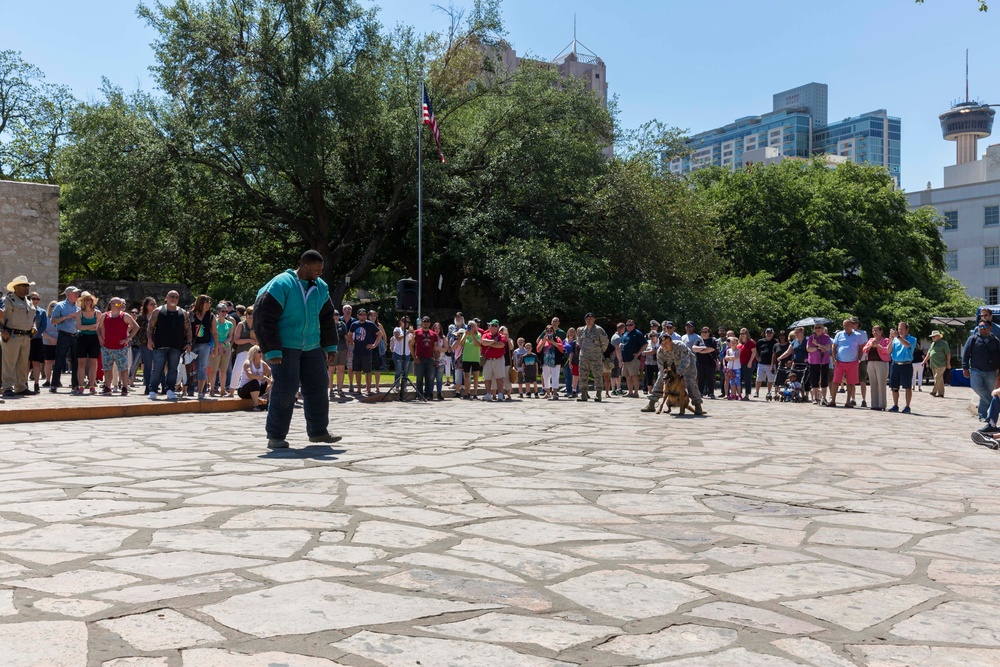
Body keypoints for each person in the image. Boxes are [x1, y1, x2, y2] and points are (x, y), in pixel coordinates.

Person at [253, 249, 341, 449]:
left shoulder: (321, 287)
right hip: (285, 347)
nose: (320, 273)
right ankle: (275, 436)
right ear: (305, 266)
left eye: (322, 270)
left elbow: (327, 318)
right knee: (286, 389)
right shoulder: (281, 284)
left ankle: (319, 432)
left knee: (319, 386)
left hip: (311, 346)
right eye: (317, 269)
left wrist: (330, 346)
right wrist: (272, 350)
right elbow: (263, 318)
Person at [641, 335, 706, 415]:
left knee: (690, 382)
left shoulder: (680, 346)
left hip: (688, 364)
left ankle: (698, 405)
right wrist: (665, 378)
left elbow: (686, 362)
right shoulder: (660, 352)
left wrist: (678, 375)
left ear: (671, 341)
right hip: (671, 367)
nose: (665, 345)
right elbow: (661, 368)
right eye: (662, 343)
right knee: (660, 380)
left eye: (666, 343)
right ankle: (651, 404)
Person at [147, 291, 192, 400]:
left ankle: (170, 389)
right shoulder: (158, 311)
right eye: (171, 296)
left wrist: (189, 343)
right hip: (160, 345)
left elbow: (188, 329)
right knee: (157, 368)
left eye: (176, 297)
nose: (174, 299)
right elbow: (150, 327)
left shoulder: (183, 313)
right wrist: (149, 340)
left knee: (173, 369)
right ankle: (153, 390)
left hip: (176, 346)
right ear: (166, 297)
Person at [1, 276, 38, 397]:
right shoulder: (8, 300)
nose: (27, 288)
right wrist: (2, 330)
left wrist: (34, 326)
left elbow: (32, 316)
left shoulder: (28, 301)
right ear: (16, 287)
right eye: (24, 285)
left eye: (28, 286)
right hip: (11, 335)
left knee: (23, 363)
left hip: (26, 336)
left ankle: (21, 386)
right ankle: (7, 387)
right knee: (9, 363)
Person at [96, 297, 139, 396]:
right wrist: (100, 337)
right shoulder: (104, 316)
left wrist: (129, 338)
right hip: (107, 347)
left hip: (121, 348)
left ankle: (124, 387)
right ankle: (107, 387)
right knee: (107, 369)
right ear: (111, 304)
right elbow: (98, 327)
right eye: (118, 304)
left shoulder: (125, 316)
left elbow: (136, 327)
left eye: (121, 304)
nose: (121, 306)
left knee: (123, 369)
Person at [963, 320, 1000, 421]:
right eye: (980, 327)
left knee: (987, 391)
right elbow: (966, 354)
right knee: (977, 387)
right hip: (976, 369)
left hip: (991, 371)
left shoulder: (995, 340)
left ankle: (983, 416)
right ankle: (993, 402)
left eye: (984, 327)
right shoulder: (973, 339)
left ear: (990, 328)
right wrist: (965, 367)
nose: (982, 329)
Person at [49, 286, 81, 393]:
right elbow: (53, 321)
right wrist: (65, 317)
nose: (77, 295)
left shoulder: (79, 307)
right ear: (68, 295)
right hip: (64, 335)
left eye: (77, 293)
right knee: (60, 359)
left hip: (75, 336)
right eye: (74, 293)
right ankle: (54, 384)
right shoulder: (59, 305)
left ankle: (75, 384)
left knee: (75, 361)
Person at [830, 319, 866, 408]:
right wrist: (834, 359)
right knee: (835, 381)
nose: (845, 327)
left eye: (847, 325)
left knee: (851, 382)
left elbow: (861, 347)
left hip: (853, 362)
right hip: (840, 361)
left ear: (852, 325)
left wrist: (859, 359)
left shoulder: (858, 335)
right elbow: (834, 347)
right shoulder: (839, 334)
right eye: (844, 325)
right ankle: (833, 400)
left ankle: (848, 401)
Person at [187, 295, 218, 398]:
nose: (208, 305)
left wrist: (216, 347)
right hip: (193, 344)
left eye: (209, 303)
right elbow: (186, 330)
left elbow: (214, 332)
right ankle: (189, 389)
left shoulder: (211, 316)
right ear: (200, 303)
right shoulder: (191, 315)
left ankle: (201, 391)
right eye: (206, 302)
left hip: (205, 344)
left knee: (202, 367)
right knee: (190, 366)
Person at [73, 292, 102, 395]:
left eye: (90, 300)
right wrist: (92, 326)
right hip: (82, 338)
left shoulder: (97, 313)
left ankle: (92, 385)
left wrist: (88, 327)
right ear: (82, 302)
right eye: (86, 300)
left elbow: (99, 327)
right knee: (81, 363)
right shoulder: (79, 313)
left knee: (93, 363)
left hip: (94, 339)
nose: (88, 302)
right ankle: (81, 385)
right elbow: (78, 327)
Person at [577, 313, 609, 402]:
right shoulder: (581, 330)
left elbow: (605, 341)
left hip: (596, 357)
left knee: (597, 375)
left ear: (594, 319)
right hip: (584, 357)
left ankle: (598, 394)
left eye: (591, 318)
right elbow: (579, 341)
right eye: (587, 319)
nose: (589, 320)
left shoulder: (598, 329)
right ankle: (583, 394)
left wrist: (600, 351)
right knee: (582, 375)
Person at [347, 309, 380, 396]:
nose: (363, 316)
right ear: (358, 316)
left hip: (367, 351)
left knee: (367, 371)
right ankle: (358, 389)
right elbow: (349, 334)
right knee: (357, 370)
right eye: (361, 314)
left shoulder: (370, 324)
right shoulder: (354, 324)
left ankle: (368, 389)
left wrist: (374, 345)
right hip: (357, 351)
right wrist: (352, 342)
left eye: (365, 314)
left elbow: (379, 334)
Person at [888, 322, 917, 414]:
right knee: (894, 387)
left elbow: (907, 345)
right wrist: (891, 340)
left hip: (906, 365)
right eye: (898, 329)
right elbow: (888, 351)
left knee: (907, 387)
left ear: (907, 330)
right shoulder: (895, 339)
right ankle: (895, 405)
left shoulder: (912, 339)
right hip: (895, 364)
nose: (900, 331)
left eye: (902, 329)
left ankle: (907, 406)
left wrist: (898, 337)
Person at [861, 325, 891, 411]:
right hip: (871, 362)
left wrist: (877, 345)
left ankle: (882, 404)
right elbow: (864, 349)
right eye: (873, 331)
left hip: (881, 363)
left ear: (881, 331)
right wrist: (871, 345)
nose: (875, 332)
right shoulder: (871, 340)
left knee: (881, 383)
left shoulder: (886, 340)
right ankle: (874, 404)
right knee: (873, 383)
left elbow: (886, 350)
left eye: (876, 330)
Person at [208, 304, 234, 396]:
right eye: (222, 311)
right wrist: (217, 346)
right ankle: (212, 389)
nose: (224, 313)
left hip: (226, 348)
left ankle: (222, 390)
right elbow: (212, 334)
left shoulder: (229, 323)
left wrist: (223, 344)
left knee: (223, 370)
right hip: (215, 347)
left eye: (226, 311)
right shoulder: (214, 322)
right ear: (218, 312)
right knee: (214, 370)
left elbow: (230, 337)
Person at [131, 297, 156, 393]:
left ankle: (159, 385)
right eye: (151, 304)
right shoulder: (141, 317)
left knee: (158, 365)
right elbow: (136, 328)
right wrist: (141, 339)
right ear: (146, 306)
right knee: (148, 365)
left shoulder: (158, 316)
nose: (154, 306)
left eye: (155, 304)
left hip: (157, 343)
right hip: (144, 344)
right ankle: (148, 385)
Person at [478, 319, 507, 402]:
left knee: (500, 378)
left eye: (495, 326)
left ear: (498, 327)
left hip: (498, 359)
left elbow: (501, 345)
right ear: (489, 326)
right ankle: (488, 394)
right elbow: (483, 342)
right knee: (487, 378)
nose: (493, 327)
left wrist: (489, 343)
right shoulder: (485, 335)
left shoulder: (502, 337)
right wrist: (494, 341)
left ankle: (500, 394)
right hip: (487, 360)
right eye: (492, 325)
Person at [411, 315, 439, 400]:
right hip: (419, 357)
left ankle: (427, 394)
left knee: (429, 378)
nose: (426, 323)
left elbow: (435, 348)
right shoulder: (416, 332)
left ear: (430, 323)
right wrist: (414, 357)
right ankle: (419, 394)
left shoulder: (433, 334)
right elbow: (411, 345)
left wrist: (436, 359)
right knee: (419, 377)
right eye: (424, 322)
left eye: (427, 322)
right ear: (421, 323)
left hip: (430, 358)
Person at [231, 306, 256, 398]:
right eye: (249, 313)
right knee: (237, 370)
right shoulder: (241, 324)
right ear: (246, 314)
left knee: (254, 372)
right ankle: (232, 391)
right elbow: (236, 340)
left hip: (255, 353)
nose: (251, 315)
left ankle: (252, 391)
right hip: (243, 351)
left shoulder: (257, 325)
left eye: (253, 313)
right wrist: (249, 340)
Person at [237, 344, 271, 410]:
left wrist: (270, 383)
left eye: (262, 351)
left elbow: (272, 373)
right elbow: (250, 375)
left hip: (257, 389)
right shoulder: (248, 363)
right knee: (254, 382)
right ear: (253, 353)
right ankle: (255, 405)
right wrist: (264, 378)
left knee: (272, 382)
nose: (261, 353)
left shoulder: (262, 363)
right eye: (259, 352)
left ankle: (269, 403)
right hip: (243, 391)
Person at [805, 324, 832, 405]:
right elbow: (809, 349)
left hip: (824, 361)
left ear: (822, 328)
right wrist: (818, 348)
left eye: (819, 327)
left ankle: (824, 398)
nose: (817, 329)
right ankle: (815, 398)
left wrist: (817, 344)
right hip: (813, 361)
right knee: (814, 380)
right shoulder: (811, 337)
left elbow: (827, 348)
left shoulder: (826, 337)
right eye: (816, 328)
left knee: (824, 380)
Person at [536, 324, 564, 400]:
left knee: (555, 377)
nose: (549, 332)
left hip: (555, 361)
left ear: (553, 332)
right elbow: (538, 350)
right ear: (545, 332)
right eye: (547, 331)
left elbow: (561, 348)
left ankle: (554, 393)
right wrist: (543, 341)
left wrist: (552, 342)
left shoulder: (557, 339)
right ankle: (548, 393)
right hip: (545, 362)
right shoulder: (542, 340)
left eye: (550, 331)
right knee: (546, 377)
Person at [619, 319, 645, 398]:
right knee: (627, 376)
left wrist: (639, 353)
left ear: (634, 325)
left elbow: (645, 344)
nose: (628, 327)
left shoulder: (638, 333)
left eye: (630, 325)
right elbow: (624, 343)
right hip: (625, 359)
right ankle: (630, 392)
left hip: (633, 358)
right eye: (627, 325)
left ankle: (636, 392)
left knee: (634, 375)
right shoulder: (625, 334)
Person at [457, 320, 483, 399]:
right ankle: (467, 392)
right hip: (466, 358)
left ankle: (475, 393)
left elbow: (477, 344)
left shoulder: (478, 334)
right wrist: (465, 335)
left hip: (475, 358)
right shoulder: (465, 334)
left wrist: (472, 335)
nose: (470, 327)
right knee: (466, 376)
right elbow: (461, 343)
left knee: (475, 376)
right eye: (469, 326)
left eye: (472, 326)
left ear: (475, 327)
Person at [692, 326, 719, 398]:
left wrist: (700, 350)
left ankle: (711, 393)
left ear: (709, 333)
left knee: (710, 378)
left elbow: (711, 349)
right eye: (702, 332)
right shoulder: (698, 341)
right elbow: (694, 348)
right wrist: (704, 348)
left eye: (705, 332)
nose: (704, 333)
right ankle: (700, 392)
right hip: (700, 362)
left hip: (710, 363)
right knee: (700, 378)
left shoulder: (712, 341)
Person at [27, 292, 46, 393]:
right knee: (26, 362)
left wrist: (35, 334)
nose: (36, 301)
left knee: (36, 362)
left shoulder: (42, 312)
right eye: (34, 298)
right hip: (26, 339)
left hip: (37, 339)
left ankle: (36, 384)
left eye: (38, 299)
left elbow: (43, 326)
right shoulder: (25, 310)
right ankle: (24, 383)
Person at [753, 328, 779, 399]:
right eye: (767, 333)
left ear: (773, 334)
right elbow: (755, 350)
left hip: (771, 364)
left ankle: (769, 392)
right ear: (765, 333)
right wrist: (757, 357)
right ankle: (757, 391)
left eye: (770, 333)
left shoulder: (775, 342)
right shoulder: (760, 341)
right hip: (761, 363)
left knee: (770, 379)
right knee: (759, 378)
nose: (768, 334)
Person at [927, 330, 951, 398]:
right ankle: (941, 393)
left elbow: (948, 353)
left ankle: (934, 391)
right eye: (932, 337)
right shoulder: (932, 344)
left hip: (941, 363)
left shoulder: (944, 343)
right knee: (939, 379)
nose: (933, 337)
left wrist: (948, 363)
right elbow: (929, 354)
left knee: (937, 377)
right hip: (933, 364)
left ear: (938, 336)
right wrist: (924, 361)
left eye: (934, 336)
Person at [330, 308, 348, 398]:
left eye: (337, 315)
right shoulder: (328, 325)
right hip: (331, 350)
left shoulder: (342, 325)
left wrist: (348, 350)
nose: (335, 316)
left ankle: (340, 389)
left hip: (342, 348)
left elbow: (346, 338)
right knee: (331, 369)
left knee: (341, 370)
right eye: (333, 315)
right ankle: (331, 389)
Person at [369, 310, 388, 392]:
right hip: (368, 347)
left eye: (374, 316)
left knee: (377, 367)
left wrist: (384, 344)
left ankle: (377, 386)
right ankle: (368, 386)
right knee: (368, 368)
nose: (373, 317)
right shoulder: (366, 324)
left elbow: (384, 335)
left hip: (376, 348)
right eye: (371, 316)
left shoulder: (378, 325)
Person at [41, 301, 58, 389]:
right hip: (47, 342)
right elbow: (42, 331)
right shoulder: (45, 318)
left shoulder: (60, 319)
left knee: (58, 362)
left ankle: (57, 380)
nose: (54, 308)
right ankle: (48, 380)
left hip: (59, 343)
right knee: (48, 362)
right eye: (52, 306)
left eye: (56, 306)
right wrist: (51, 339)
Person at [392, 316, 413, 385]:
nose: (406, 323)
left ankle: (404, 385)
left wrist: (413, 334)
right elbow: (398, 338)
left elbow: (411, 342)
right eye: (404, 321)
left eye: (407, 322)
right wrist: (408, 333)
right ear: (400, 321)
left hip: (406, 353)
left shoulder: (408, 332)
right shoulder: (397, 329)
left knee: (405, 370)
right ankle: (397, 384)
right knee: (398, 370)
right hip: (398, 353)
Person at [737, 328, 757, 399]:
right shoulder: (739, 343)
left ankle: (747, 394)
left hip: (749, 363)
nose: (742, 335)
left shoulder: (751, 342)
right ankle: (739, 394)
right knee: (738, 378)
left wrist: (750, 362)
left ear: (747, 334)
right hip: (740, 363)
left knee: (747, 378)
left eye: (744, 333)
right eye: (741, 333)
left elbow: (754, 352)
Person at [561, 327, 578, 397]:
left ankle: (575, 390)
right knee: (567, 376)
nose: (571, 333)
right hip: (565, 360)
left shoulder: (576, 341)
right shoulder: (564, 341)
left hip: (573, 360)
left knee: (573, 376)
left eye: (572, 332)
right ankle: (568, 391)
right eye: (570, 332)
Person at [610, 322, 625, 396]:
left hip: (615, 357)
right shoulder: (617, 337)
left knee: (617, 374)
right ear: (622, 328)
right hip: (615, 358)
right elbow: (617, 349)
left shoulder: (617, 336)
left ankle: (618, 389)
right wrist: (620, 360)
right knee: (614, 374)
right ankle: (613, 389)